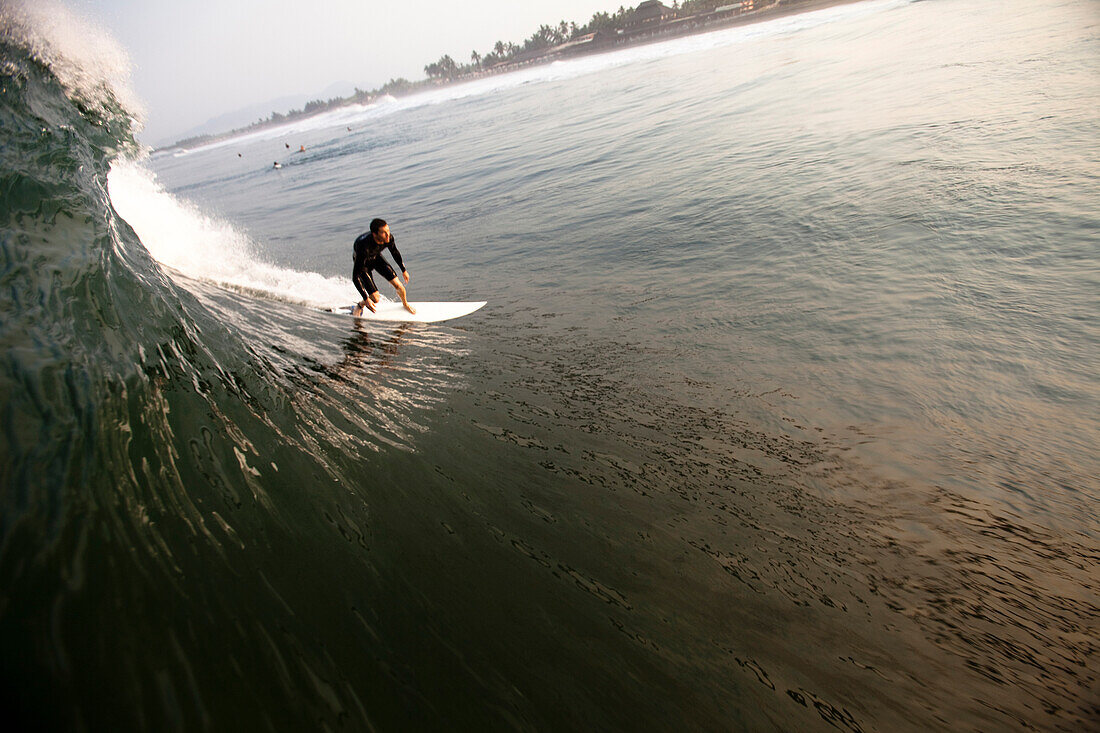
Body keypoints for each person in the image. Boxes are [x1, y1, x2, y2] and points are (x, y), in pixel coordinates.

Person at [352, 218, 415, 316]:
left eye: (388, 231)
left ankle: (405, 304)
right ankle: (360, 305)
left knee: (400, 287)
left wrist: (403, 270)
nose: (388, 235)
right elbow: (355, 276)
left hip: (376, 258)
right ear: (375, 234)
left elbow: (395, 252)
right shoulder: (363, 247)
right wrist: (366, 298)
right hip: (363, 265)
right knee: (375, 299)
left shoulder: (388, 238)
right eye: (384, 232)